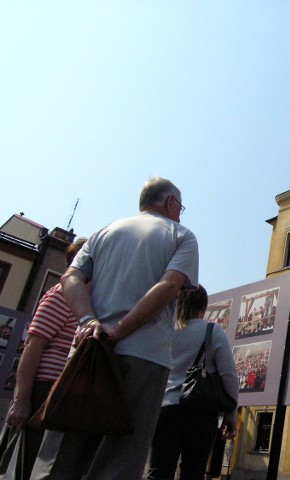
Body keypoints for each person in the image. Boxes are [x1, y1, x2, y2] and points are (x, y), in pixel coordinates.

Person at [31, 176, 199, 480]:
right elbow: (170, 285)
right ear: (171, 203)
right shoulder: (181, 235)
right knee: (122, 455)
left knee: (63, 449)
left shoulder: (103, 232)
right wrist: (119, 329)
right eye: (180, 207)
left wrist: (89, 321)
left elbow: (70, 279)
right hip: (144, 356)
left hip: (87, 350)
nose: (180, 212)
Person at [5, 238, 86, 479]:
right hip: (45, 391)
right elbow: (32, 345)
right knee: (29, 465)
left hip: (60, 392)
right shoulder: (61, 295)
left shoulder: (84, 299)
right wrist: (21, 400)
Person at [147, 285, 239, 480]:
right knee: (193, 472)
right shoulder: (213, 331)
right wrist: (230, 415)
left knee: (158, 472)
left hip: (165, 408)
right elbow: (229, 377)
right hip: (201, 412)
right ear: (203, 307)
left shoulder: (166, 329)